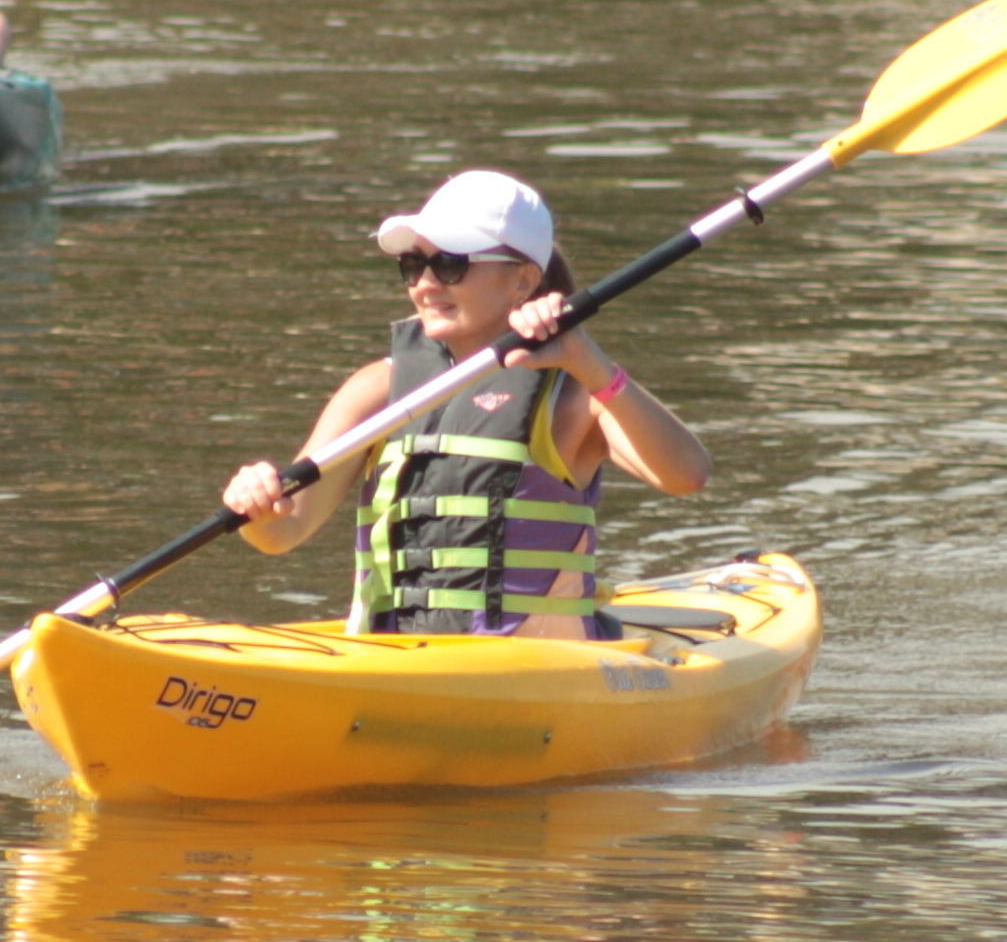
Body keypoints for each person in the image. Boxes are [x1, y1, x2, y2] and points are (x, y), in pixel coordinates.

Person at [221, 168, 715, 635]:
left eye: (451, 264)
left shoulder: (572, 392)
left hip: (536, 672)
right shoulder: (376, 390)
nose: (426, 284)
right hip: (391, 658)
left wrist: (587, 360)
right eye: (414, 265)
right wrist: (258, 508)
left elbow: (686, 474)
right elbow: (283, 535)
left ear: (522, 279)